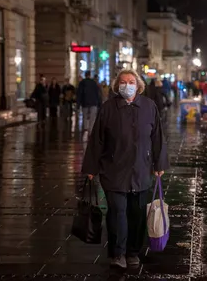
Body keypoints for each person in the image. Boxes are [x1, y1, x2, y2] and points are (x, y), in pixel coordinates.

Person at [82, 69, 169, 269]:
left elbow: (157, 137)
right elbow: (97, 140)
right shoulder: (108, 108)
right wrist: (91, 167)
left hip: (141, 170)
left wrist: (159, 163)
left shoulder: (149, 106)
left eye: (131, 81)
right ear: (116, 86)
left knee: (137, 214)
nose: (126, 85)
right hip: (113, 170)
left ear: (138, 86)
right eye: (122, 82)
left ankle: (133, 252)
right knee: (117, 212)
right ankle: (118, 253)